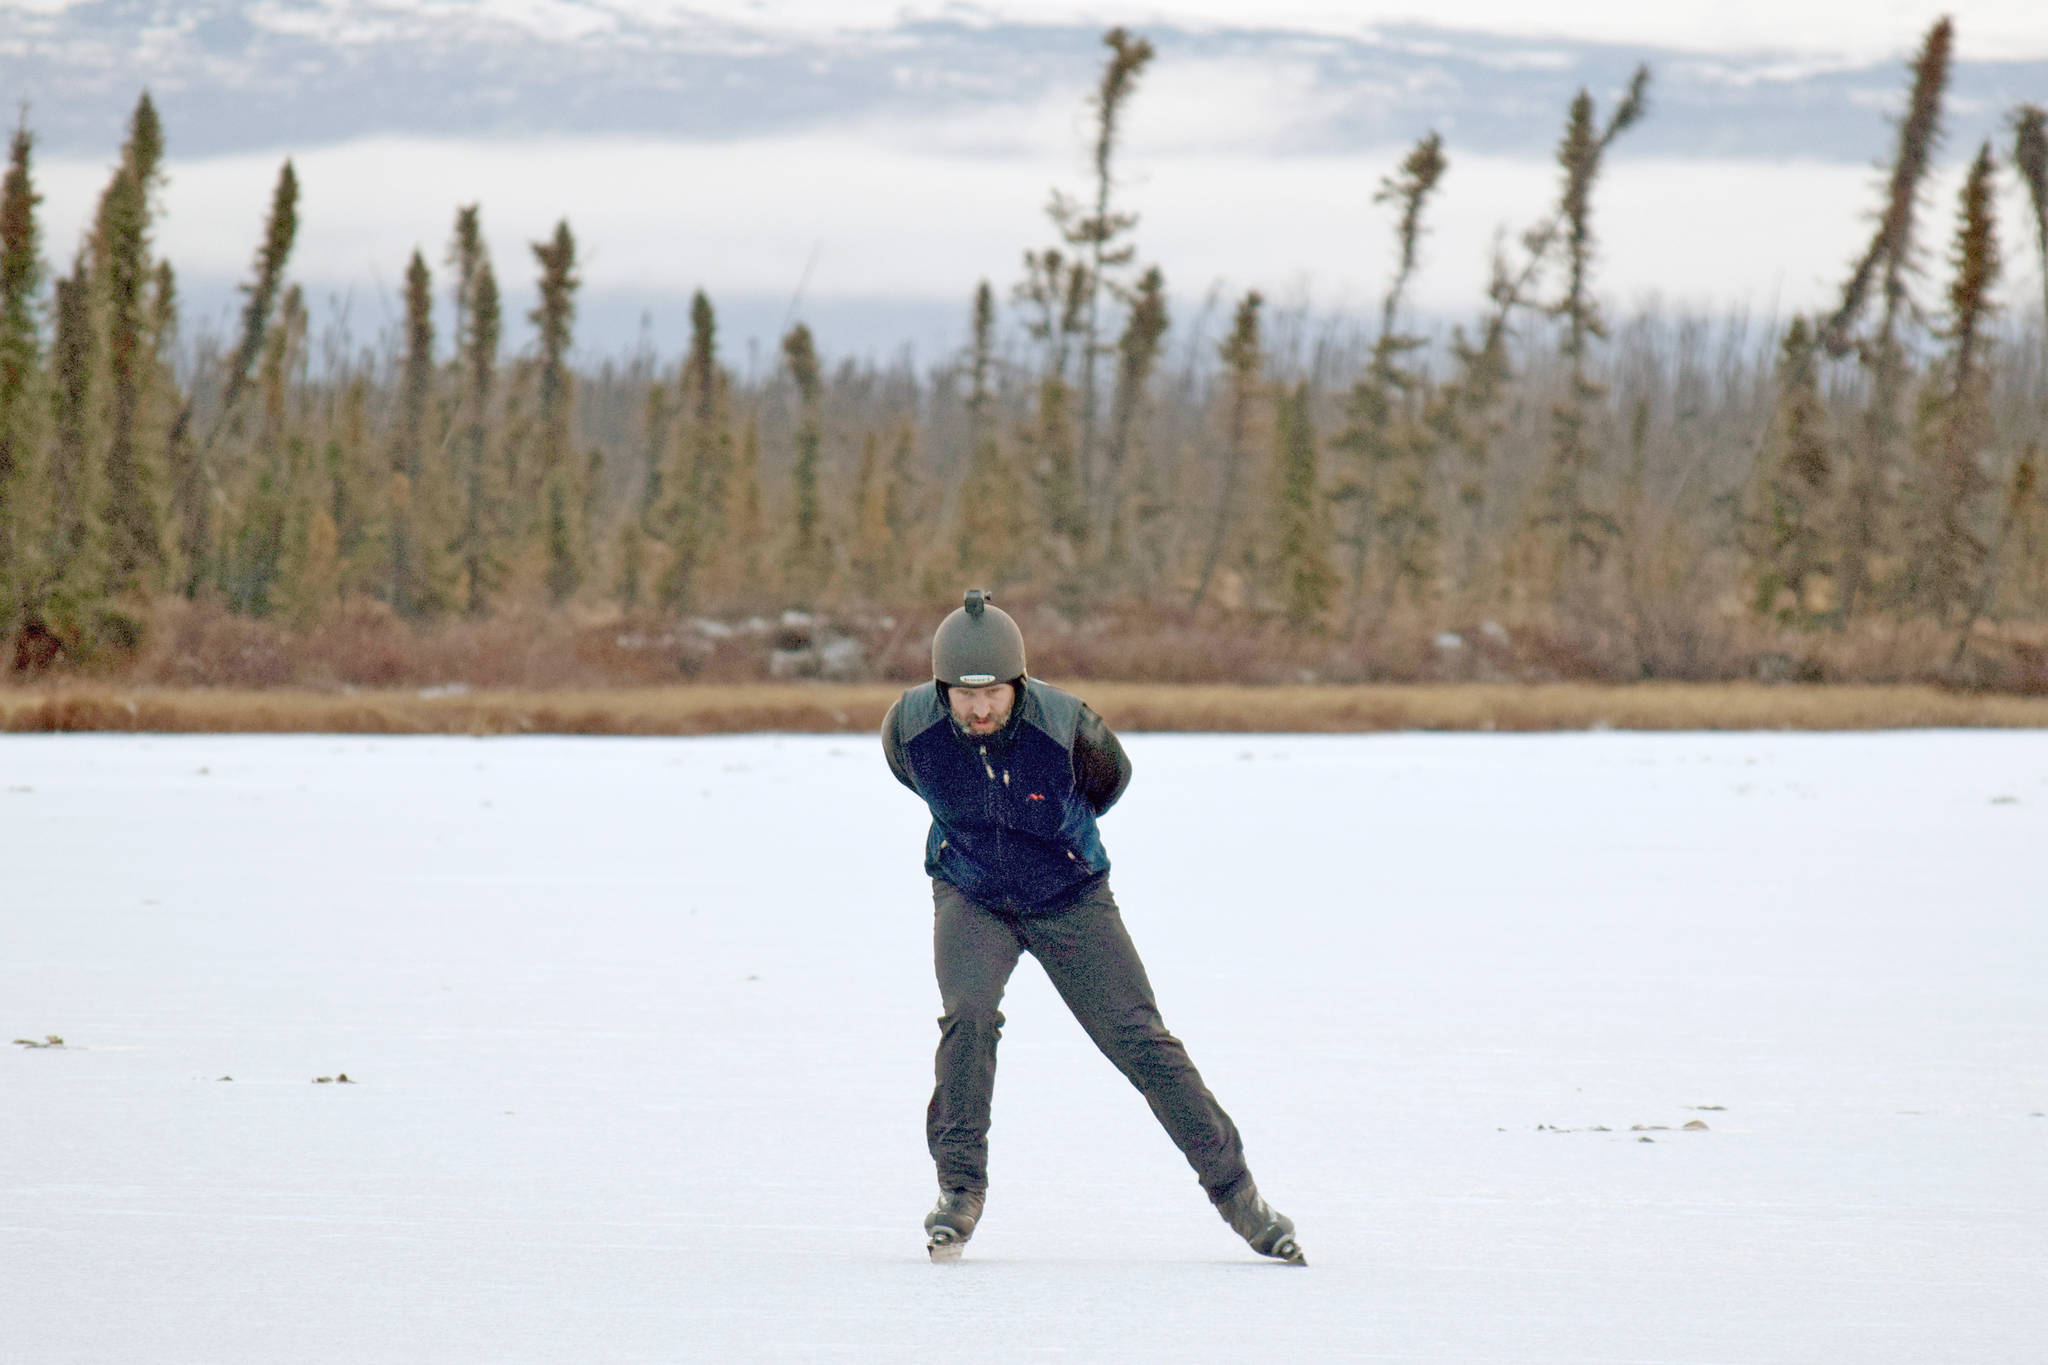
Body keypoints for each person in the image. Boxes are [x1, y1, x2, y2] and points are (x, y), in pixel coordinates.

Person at [881, 589, 1303, 1264]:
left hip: (1068, 894)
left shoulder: (1066, 726)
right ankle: (959, 1190)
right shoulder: (909, 727)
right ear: (942, 690)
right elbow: (916, 780)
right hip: (971, 893)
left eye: (994, 693)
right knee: (968, 1015)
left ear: (1019, 683)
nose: (980, 708)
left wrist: (1054, 845)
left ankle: (1240, 1195)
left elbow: (1110, 781)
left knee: (1140, 1039)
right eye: (964, 694)